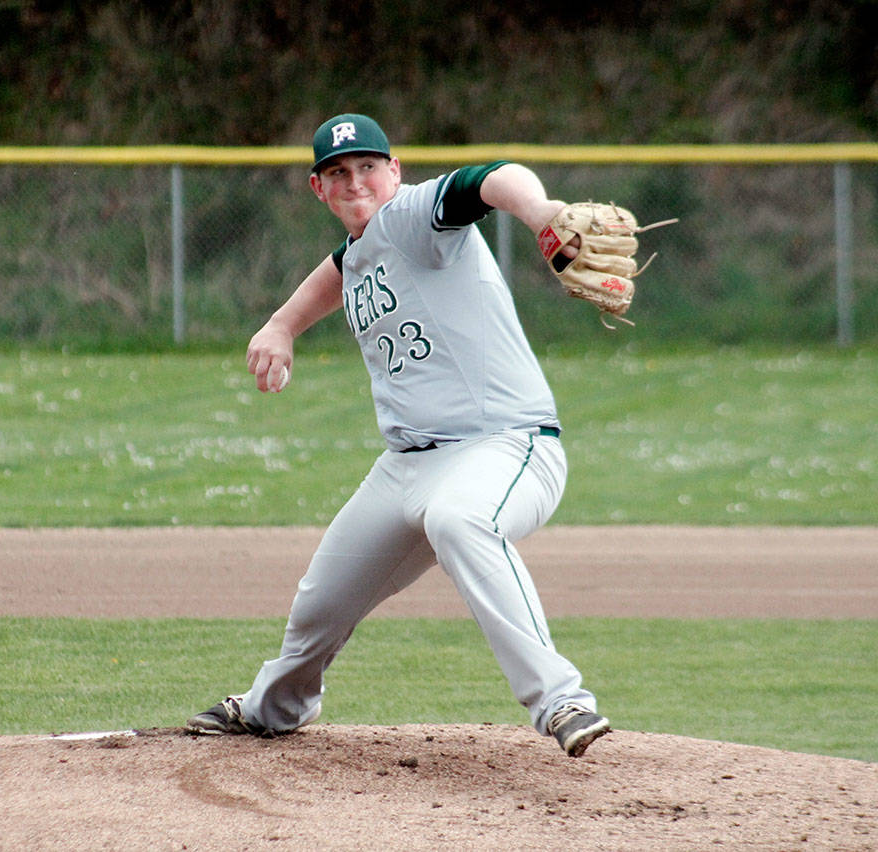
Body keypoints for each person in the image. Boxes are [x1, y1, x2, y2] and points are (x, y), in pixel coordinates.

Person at [186, 113, 610, 757]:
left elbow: (490, 178)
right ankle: (275, 709)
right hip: (406, 466)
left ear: (394, 172)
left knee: (461, 519)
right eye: (338, 172)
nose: (355, 181)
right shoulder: (365, 248)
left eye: (367, 167)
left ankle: (562, 701)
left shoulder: (413, 215)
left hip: (503, 446)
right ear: (318, 188)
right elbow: (339, 269)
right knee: (320, 601)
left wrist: (542, 210)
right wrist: (280, 325)